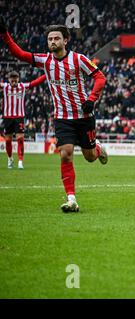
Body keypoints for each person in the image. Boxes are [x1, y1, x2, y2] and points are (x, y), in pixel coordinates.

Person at [0, 19, 108, 212]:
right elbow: (19, 54)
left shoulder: (79, 59)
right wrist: (5, 34)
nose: (53, 42)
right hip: (62, 118)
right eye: (50, 39)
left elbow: (100, 77)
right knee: (65, 155)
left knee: (90, 156)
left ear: (65, 40)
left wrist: (92, 98)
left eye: (57, 38)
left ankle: (97, 148)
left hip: (84, 117)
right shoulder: (45, 61)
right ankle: (71, 199)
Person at [1, 71, 46, 169]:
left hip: (19, 117)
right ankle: (10, 159)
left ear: (18, 79)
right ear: (9, 80)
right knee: (8, 140)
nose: (13, 81)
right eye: (12, 79)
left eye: (15, 79)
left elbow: (35, 82)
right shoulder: (5, 87)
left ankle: (20, 161)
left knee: (20, 139)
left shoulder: (22, 86)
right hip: (7, 117)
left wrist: (46, 74)